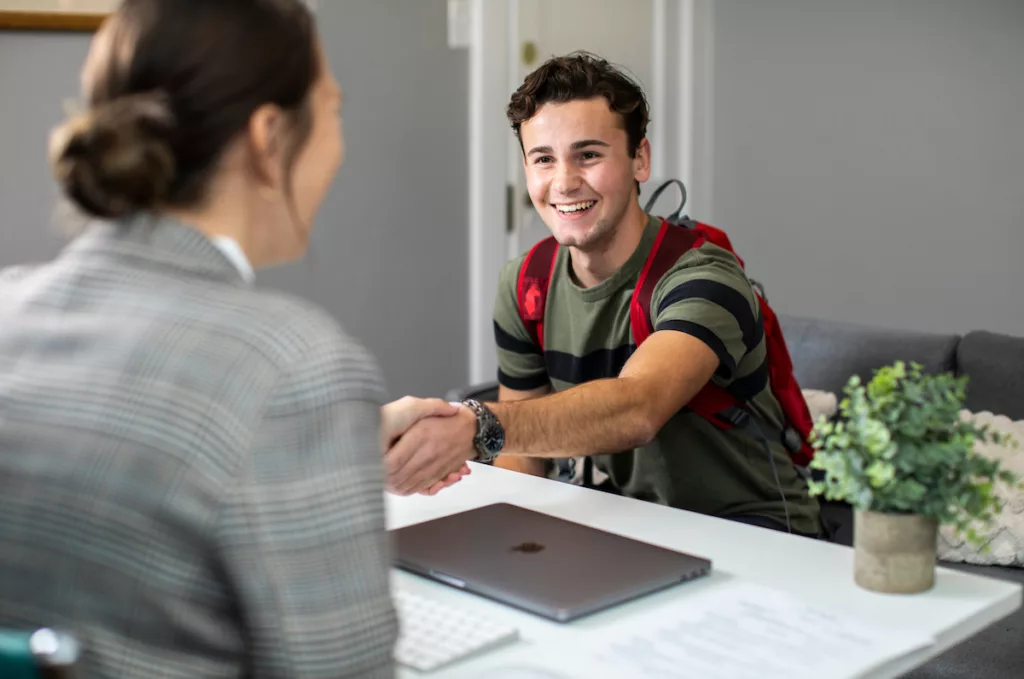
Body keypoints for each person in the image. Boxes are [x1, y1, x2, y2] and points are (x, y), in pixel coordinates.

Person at [0, 1, 455, 676]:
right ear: (269, 139)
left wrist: (337, 437)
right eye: (332, 109)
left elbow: (127, 452)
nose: (340, 141)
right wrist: (300, 413)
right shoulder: (293, 367)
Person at [385, 52, 821, 537]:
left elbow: (637, 409)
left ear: (640, 159)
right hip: (619, 525)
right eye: (544, 159)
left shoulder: (703, 277)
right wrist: (501, 529)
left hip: (751, 530)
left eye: (588, 155)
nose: (565, 182)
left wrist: (473, 427)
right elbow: (522, 456)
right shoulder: (525, 283)